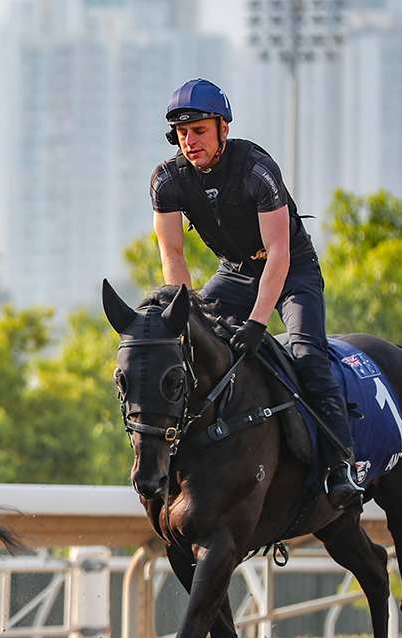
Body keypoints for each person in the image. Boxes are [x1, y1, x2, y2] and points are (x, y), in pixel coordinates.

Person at [149, 78, 361, 509]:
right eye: (183, 134)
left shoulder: (257, 171)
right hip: (235, 273)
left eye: (200, 131)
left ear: (223, 128)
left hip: (291, 272)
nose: (190, 142)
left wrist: (258, 322)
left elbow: (280, 255)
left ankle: (342, 465)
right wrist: (185, 316)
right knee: (185, 351)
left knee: (307, 354)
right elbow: (172, 253)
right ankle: (173, 463)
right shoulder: (166, 181)